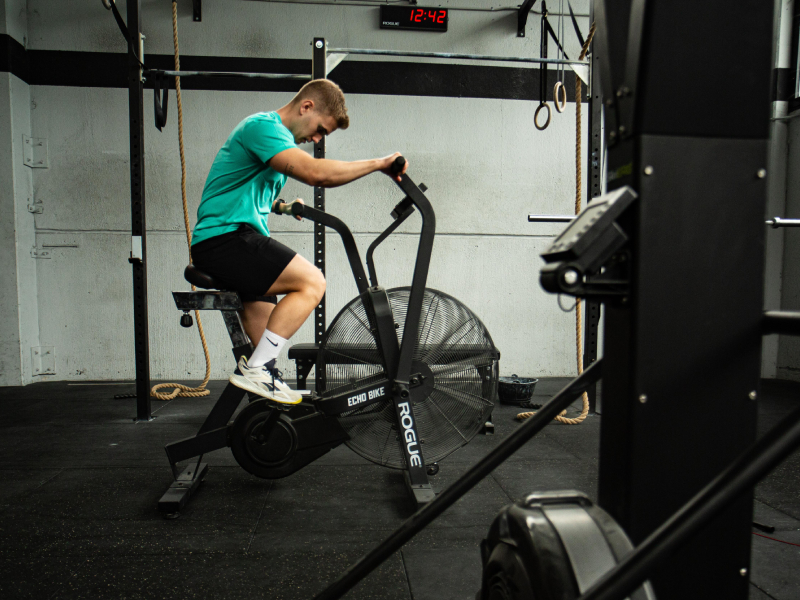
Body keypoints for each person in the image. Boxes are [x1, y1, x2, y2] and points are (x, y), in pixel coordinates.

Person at [190, 79, 408, 404]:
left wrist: (282, 206)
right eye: (321, 129)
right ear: (306, 106)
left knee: (267, 353)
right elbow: (316, 174)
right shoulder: (263, 127)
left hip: (229, 240)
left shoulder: (272, 141)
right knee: (312, 282)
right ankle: (257, 369)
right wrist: (379, 164)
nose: (316, 138)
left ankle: (265, 393)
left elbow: (240, 187)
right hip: (225, 240)